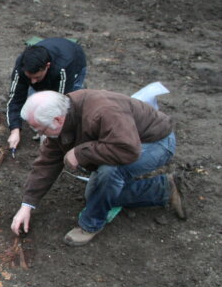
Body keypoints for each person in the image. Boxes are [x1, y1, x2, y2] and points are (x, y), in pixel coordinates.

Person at [10, 89, 186, 246]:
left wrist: (80, 153)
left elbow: (128, 150)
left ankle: (91, 225)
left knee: (109, 172)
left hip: (154, 143)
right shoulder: (63, 116)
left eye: (41, 130)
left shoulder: (103, 111)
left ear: (57, 119)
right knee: (95, 196)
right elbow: (47, 162)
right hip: (125, 143)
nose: (40, 135)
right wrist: (27, 205)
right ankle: (163, 189)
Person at [6, 38, 87, 151]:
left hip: (74, 64)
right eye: (30, 77)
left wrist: (47, 135)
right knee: (35, 101)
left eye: (37, 77)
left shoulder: (63, 67)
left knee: (71, 103)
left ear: (47, 66)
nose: (33, 82)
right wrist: (15, 130)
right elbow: (15, 99)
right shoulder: (22, 66)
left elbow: (60, 105)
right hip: (52, 68)